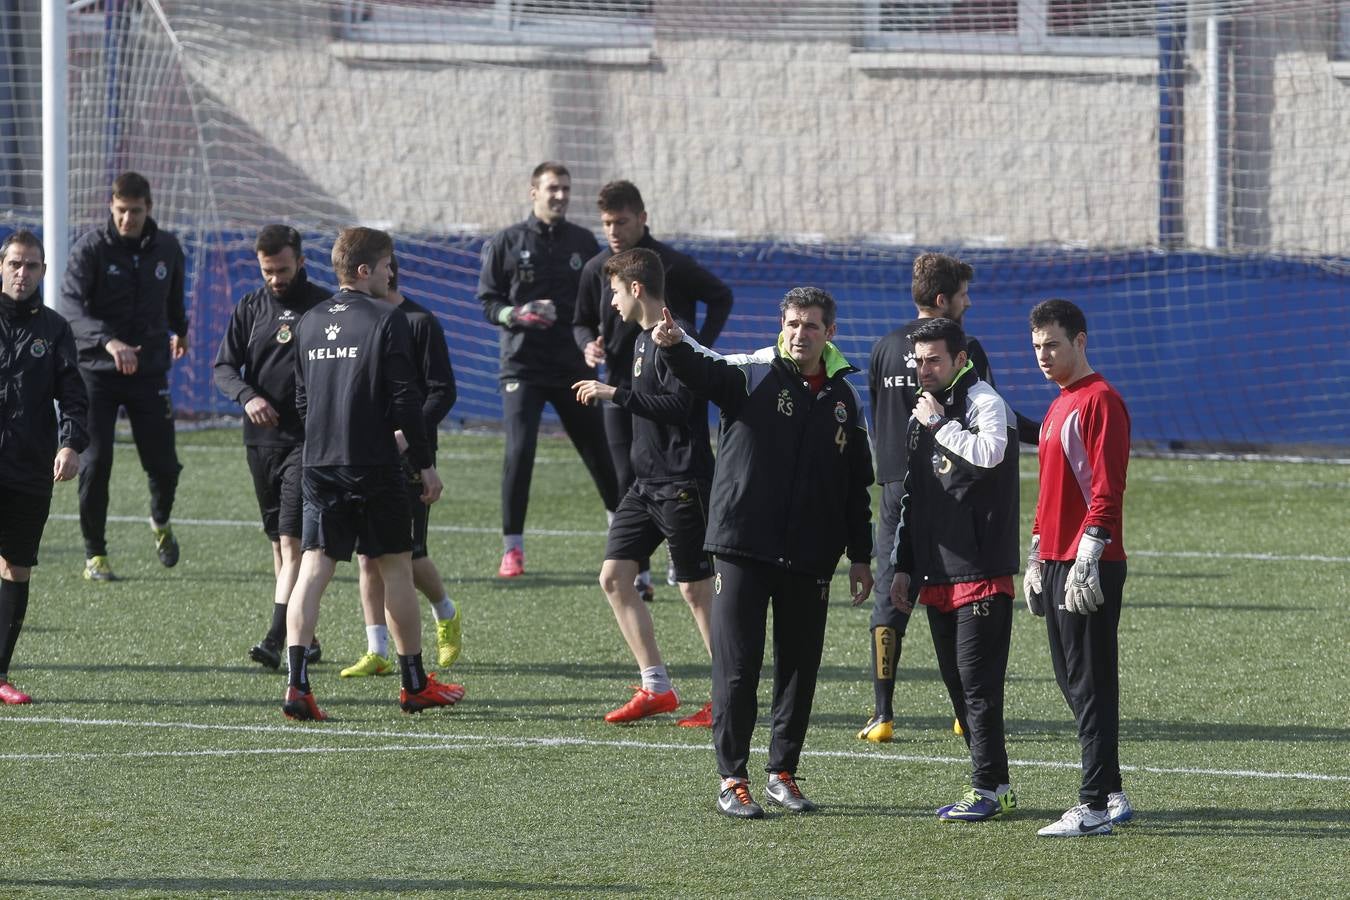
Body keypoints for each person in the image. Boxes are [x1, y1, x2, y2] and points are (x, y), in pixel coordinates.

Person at [653, 287, 874, 819]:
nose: (801, 334)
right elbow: (704, 372)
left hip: (811, 555)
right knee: (737, 668)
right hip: (742, 547)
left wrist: (861, 556)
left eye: (812, 326)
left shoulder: (846, 398)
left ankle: (783, 772)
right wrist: (672, 344)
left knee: (799, 669)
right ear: (782, 325)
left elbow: (854, 486)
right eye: (793, 324)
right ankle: (732, 779)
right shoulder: (751, 372)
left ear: (830, 333)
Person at [281, 227, 462, 721]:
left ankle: (297, 685)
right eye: (387, 266)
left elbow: (301, 399)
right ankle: (413, 683)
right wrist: (423, 463)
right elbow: (405, 399)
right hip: (374, 463)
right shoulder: (387, 320)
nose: (392, 273)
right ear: (364, 270)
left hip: (318, 461)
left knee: (314, 567)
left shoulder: (310, 321)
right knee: (395, 566)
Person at [860, 252, 1041, 743]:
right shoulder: (964, 348)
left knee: (889, 593)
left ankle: (882, 712)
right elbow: (992, 414)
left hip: (895, 482)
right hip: (944, 479)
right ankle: (967, 709)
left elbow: (879, 419)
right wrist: (1047, 433)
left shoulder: (881, 348)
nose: (969, 301)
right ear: (943, 300)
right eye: (964, 294)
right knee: (955, 586)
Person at [572, 248, 716, 727]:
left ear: (636, 289)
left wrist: (615, 393)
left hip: (682, 482)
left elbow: (681, 407)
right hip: (645, 485)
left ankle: (728, 694)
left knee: (696, 592)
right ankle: (656, 686)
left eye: (614, 291)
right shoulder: (637, 340)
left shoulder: (676, 341)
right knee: (614, 577)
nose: (610, 302)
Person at [572, 180, 734, 599]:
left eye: (620, 221)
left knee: (694, 591)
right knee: (627, 481)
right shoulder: (599, 271)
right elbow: (581, 321)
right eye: (606, 222)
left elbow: (680, 403)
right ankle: (650, 659)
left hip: (676, 456)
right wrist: (588, 343)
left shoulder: (667, 278)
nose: (612, 230)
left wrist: (696, 351)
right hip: (624, 392)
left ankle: (727, 661)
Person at [889, 317, 1020, 822]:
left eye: (934, 360)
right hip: (937, 574)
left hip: (981, 570)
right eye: (918, 361)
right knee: (958, 687)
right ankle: (993, 785)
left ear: (960, 359)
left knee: (979, 687)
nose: (924, 369)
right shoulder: (921, 413)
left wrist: (940, 426)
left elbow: (989, 456)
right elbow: (913, 498)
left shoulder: (985, 401)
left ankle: (989, 788)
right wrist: (904, 566)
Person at [1023, 298, 1133, 837]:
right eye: (1038, 346)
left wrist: (1090, 552)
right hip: (1060, 560)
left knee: (1088, 683)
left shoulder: (1100, 400)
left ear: (1080, 341)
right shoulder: (1058, 404)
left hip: (1090, 562)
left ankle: (1090, 805)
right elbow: (1050, 495)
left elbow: (1107, 489)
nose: (1044, 355)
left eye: (1054, 345)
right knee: (1074, 681)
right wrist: (1036, 554)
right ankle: (1110, 790)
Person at [478, 161, 618, 579]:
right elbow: (488, 301)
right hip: (523, 366)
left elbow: (598, 298)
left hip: (572, 365)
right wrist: (516, 313)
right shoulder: (507, 241)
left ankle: (623, 540)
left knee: (599, 451)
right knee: (519, 453)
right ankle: (513, 549)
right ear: (533, 192)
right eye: (552, 188)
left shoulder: (582, 241)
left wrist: (597, 337)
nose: (559, 196)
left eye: (565, 189)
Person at [58, 172, 188, 582]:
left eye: (134, 211)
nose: (127, 219)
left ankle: (160, 520)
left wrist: (180, 330)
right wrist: (109, 342)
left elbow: (174, 297)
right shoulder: (90, 249)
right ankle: (95, 555)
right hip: (97, 372)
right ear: (110, 208)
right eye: (120, 211)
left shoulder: (168, 248)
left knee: (164, 465)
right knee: (95, 464)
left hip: (149, 371)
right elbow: (71, 307)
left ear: (148, 208)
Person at [213, 225, 329, 670]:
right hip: (260, 442)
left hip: (307, 440)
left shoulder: (322, 307)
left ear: (300, 261)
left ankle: (275, 638)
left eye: (282, 269)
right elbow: (224, 366)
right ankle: (308, 634)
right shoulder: (251, 306)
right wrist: (249, 396)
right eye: (267, 271)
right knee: (279, 547)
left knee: (292, 541)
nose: (275, 278)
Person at [343, 255, 463, 678]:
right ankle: (376, 650)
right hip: (364, 455)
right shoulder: (362, 321)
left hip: (411, 454)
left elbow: (442, 392)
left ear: (384, 271)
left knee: (407, 554)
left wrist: (406, 436)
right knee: (366, 556)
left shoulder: (419, 322)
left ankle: (445, 613)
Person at [0, 231, 88, 704]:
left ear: (43, 272)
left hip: (30, 464)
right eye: (15, 263)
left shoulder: (54, 330)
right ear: (1, 265)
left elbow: (73, 395)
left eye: (31, 266)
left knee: (17, 567)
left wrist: (71, 444)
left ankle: (0, 674)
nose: (22, 273)